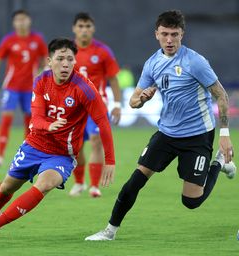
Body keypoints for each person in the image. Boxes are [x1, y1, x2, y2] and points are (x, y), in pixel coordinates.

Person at [85, 10, 236, 241]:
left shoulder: (195, 61)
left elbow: (221, 95)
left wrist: (224, 134)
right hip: (166, 133)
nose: (169, 40)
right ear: (156, 34)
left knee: (191, 201)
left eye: (174, 34)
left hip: (197, 136)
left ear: (181, 35)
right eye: (164, 34)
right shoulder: (152, 63)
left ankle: (218, 162)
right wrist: (142, 98)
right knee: (134, 182)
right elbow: (134, 101)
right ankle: (109, 231)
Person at [0, 38, 115, 239]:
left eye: (70, 59)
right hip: (33, 146)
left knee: (44, 185)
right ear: (49, 61)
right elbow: (36, 118)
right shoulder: (41, 81)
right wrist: (48, 125)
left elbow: (103, 122)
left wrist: (110, 160)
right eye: (60, 58)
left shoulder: (84, 88)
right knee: (7, 186)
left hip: (61, 155)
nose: (65, 64)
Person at [0, 9, 48, 166]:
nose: (21, 22)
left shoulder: (37, 39)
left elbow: (45, 59)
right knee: (6, 118)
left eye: (24, 19)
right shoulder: (9, 40)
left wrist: (45, 72)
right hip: (11, 87)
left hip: (30, 89)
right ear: (14, 23)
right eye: (18, 20)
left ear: (29, 21)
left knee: (30, 122)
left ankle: (28, 154)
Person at [68, 12, 121, 197]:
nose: (84, 30)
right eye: (80, 26)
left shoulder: (103, 51)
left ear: (93, 28)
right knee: (75, 147)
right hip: (72, 106)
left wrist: (117, 104)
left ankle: (94, 186)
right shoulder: (67, 51)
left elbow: (113, 79)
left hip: (97, 104)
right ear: (74, 28)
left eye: (88, 26)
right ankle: (79, 182)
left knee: (97, 142)